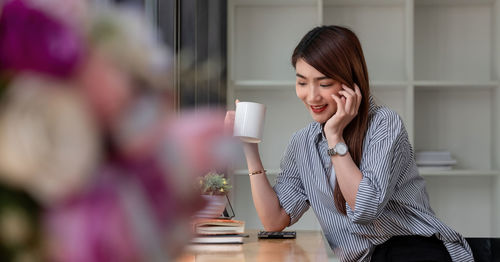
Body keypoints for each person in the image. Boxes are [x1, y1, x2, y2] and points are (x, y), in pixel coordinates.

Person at [225, 25, 474, 262]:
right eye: (302, 82)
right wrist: (249, 146)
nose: (311, 96)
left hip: (413, 249)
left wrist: (334, 137)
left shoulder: (385, 125)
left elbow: (366, 209)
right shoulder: (303, 143)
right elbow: (274, 220)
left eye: (324, 84)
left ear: (350, 83)